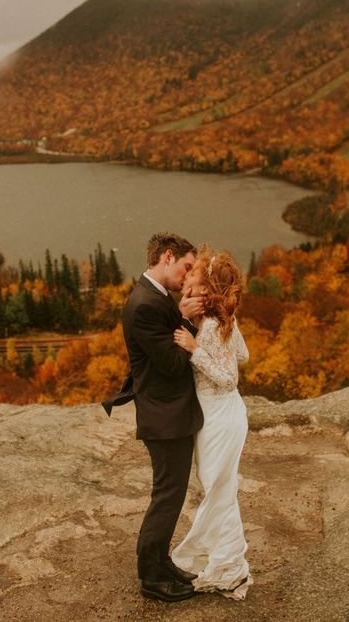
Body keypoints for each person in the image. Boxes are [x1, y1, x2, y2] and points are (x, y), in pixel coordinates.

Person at [102, 232, 205, 602]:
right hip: (163, 416)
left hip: (168, 413)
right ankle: (151, 577)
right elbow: (173, 364)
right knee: (167, 495)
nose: (188, 276)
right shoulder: (145, 304)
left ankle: (163, 564)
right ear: (166, 257)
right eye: (186, 267)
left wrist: (180, 316)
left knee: (171, 495)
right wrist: (190, 324)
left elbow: (165, 346)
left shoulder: (156, 298)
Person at [171, 246, 253, 600]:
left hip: (219, 418)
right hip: (222, 416)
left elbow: (229, 377)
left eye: (192, 275)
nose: (186, 276)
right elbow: (244, 353)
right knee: (221, 493)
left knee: (219, 494)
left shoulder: (207, 330)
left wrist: (195, 350)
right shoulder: (220, 322)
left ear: (204, 289)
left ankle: (230, 570)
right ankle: (225, 564)